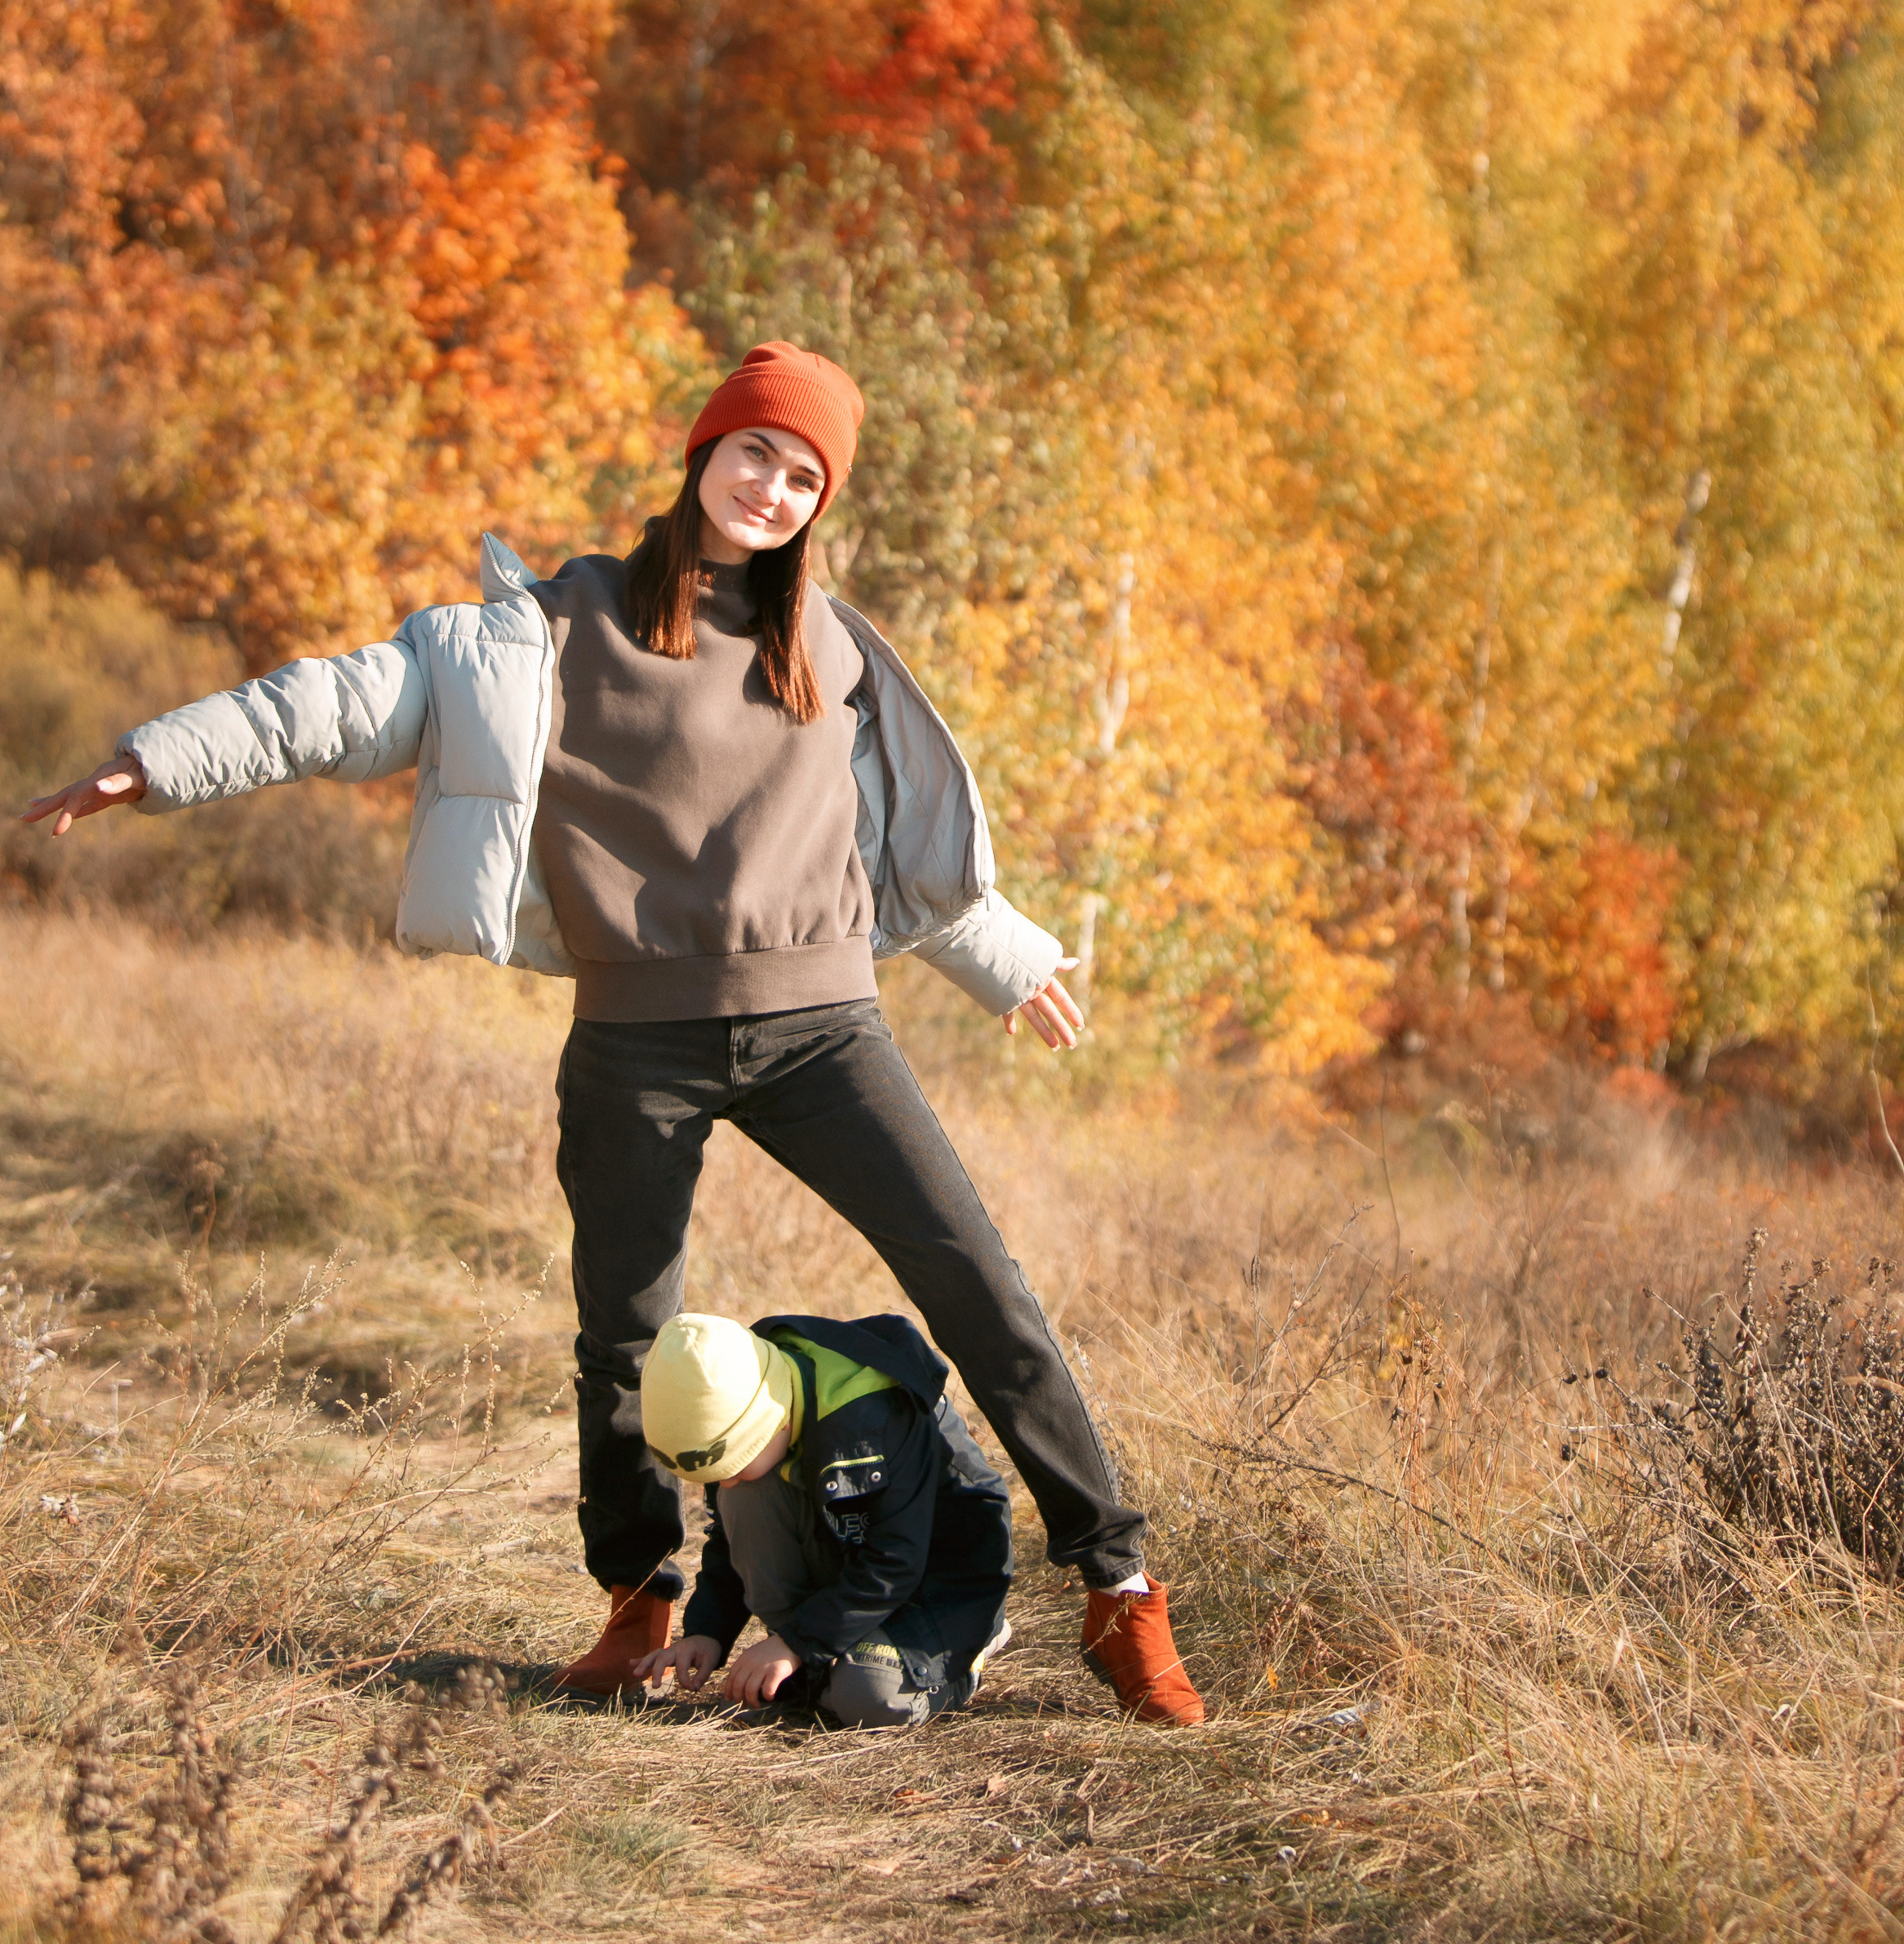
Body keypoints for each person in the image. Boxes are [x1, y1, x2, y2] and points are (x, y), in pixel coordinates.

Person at [24, 340, 1204, 1728]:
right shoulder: (549, 629)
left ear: (822, 503)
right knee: (623, 1335)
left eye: (804, 473)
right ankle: (638, 1597)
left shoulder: (828, 643)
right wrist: (156, 760)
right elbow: (343, 705)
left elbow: (887, 841)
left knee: (978, 1288)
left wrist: (1000, 956)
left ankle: (1116, 1588)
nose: (772, 485)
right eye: (755, 450)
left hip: (823, 1026)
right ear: (704, 451)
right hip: (638, 1035)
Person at [630, 1306, 1014, 1726]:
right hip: (854, 1569)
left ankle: (968, 1658)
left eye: (733, 1467)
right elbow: (729, 1536)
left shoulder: (872, 1418)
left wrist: (797, 1643)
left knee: (867, 1698)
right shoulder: (743, 1396)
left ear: (766, 1423)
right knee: (744, 1498)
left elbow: (897, 1561)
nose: (725, 1484)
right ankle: (817, 1663)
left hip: (939, 1584)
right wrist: (708, 1630)